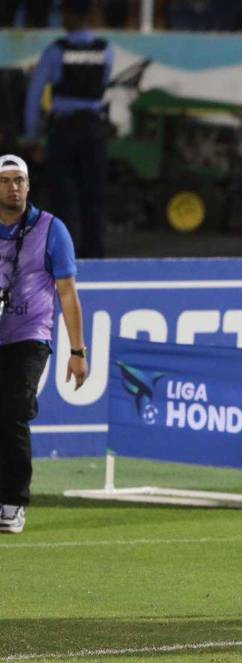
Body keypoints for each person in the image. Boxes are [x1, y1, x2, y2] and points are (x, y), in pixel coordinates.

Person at [0, 154, 87, 535]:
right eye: (5, 180)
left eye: (19, 179)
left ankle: (13, 502)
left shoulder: (51, 229)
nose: (13, 186)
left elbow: (67, 293)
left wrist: (77, 351)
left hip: (29, 335)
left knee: (14, 411)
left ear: (29, 185)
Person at [22, 0, 113, 259]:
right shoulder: (105, 50)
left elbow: (35, 94)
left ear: (69, 15)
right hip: (94, 129)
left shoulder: (55, 51)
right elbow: (103, 83)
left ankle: (63, 259)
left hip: (63, 131)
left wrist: (32, 136)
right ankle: (95, 258)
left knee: (62, 199)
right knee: (93, 198)